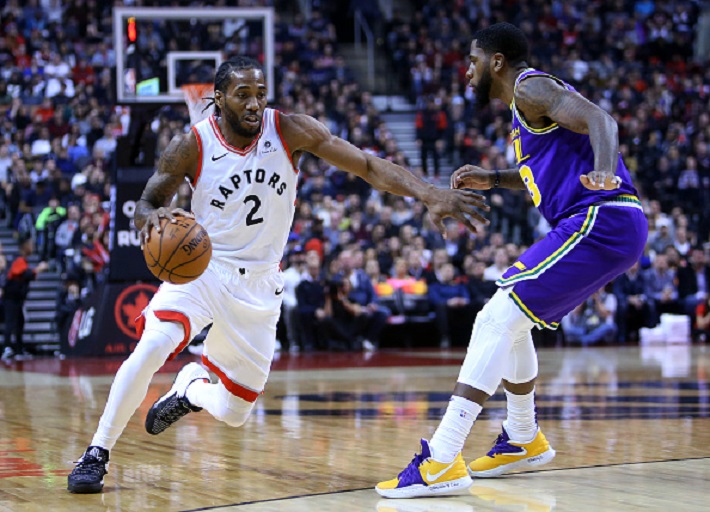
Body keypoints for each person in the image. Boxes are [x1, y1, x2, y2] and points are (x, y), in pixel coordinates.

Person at [67, 56, 488, 494]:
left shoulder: (290, 130)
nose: (254, 103)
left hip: (261, 283)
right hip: (202, 269)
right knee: (153, 346)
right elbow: (146, 202)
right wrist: (152, 219)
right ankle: (97, 452)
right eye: (243, 94)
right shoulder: (191, 144)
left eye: (260, 93)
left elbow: (365, 165)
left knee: (234, 412)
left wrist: (428, 192)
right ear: (218, 99)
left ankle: (191, 389)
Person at [376, 23, 648, 499]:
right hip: (597, 222)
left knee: (495, 318)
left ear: (496, 62)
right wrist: (495, 178)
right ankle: (523, 437)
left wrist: (604, 171)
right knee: (512, 319)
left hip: (601, 217)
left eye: (472, 60)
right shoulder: (524, 112)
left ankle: (441, 458)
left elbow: (603, 121)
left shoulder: (531, 86)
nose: (466, 70)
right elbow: (541, 174)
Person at [2, 237, 49, 360]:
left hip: (18, 300)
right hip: (11, 299)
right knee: (10, 323)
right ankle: (6, 348)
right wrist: (38, 269)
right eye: (30, 245)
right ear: (24, 246)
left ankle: (18, 349)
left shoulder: (23, 261)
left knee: (19, 323)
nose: (32, 247)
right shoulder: (18, 259)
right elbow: (24, 273)